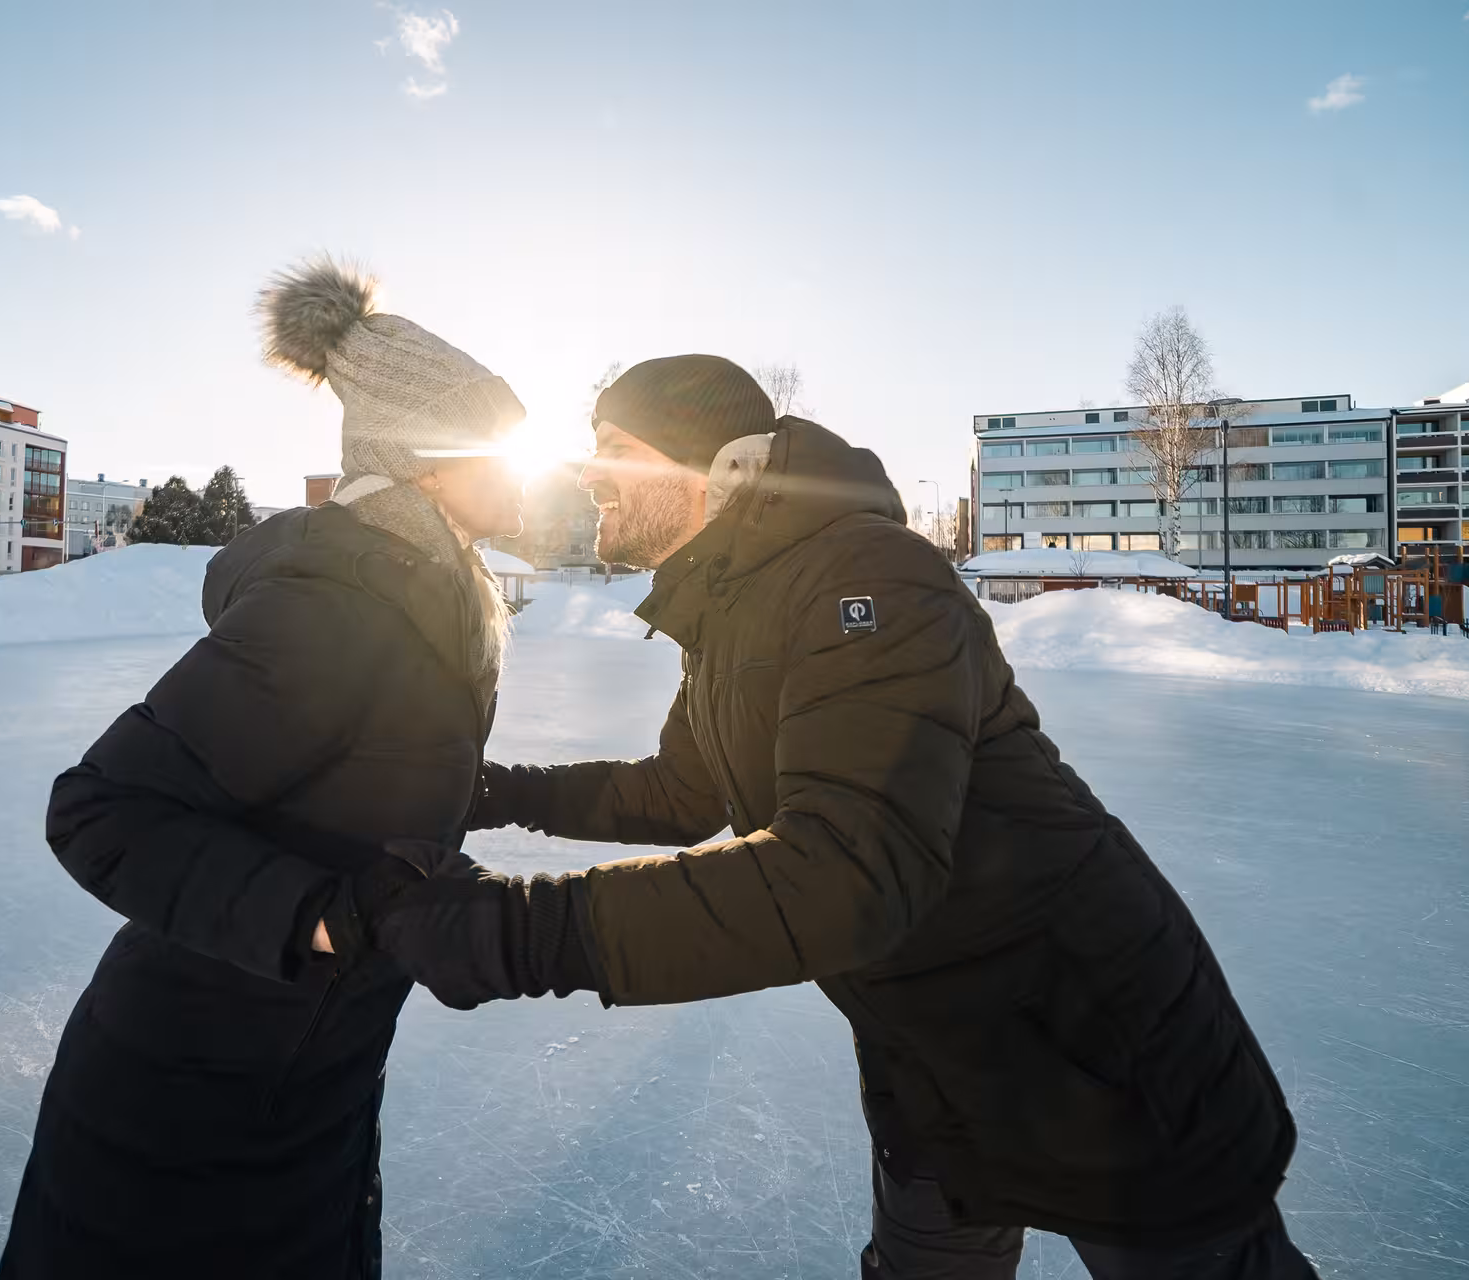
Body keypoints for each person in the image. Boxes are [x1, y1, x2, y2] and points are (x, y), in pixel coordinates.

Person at [369, 355, 1320, 1279]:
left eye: (613, 443)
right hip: (935, 1062)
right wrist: (491, 790)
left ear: (707, 459)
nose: (586, 471)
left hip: (1099, 1056)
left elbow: (846, 874)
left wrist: (517, 931)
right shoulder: (734, 606)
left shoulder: (870, 576)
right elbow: (677, 793)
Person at [0, 258, 526, 1279]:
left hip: (302, 1082)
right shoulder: (337, 607)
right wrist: (321, 913)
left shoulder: (435, 599)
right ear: (420, 453)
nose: (519, 466)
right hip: (180, 1110)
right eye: (492, 444)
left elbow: (375, 768)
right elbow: (100, 809)